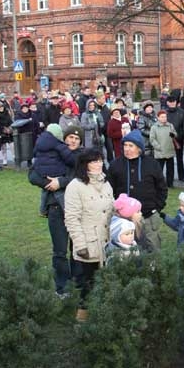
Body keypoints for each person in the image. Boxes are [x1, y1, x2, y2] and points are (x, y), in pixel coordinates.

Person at [31, 126, 83, 297]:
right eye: (70, 137)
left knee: (77, 247)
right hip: (56, 208)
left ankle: (78, 282)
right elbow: (32, 175)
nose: (73, 141)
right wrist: (49, 183)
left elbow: (81, 177)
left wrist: (60, 182)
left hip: (77, 209)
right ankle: (62, 287)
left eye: (77, 138)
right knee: (60, 251)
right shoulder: (52, 153)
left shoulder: (82, 157)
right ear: (63, 138)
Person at [64, 148, 114, 322]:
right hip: (89, 244)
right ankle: (82, 319)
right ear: (84, 164)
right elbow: (72, 218)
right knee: (89, 284)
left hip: (107, 243)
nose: (98, 164)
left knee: (107, 281)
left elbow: (111, 209)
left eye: (100, 160)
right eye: (93, 161)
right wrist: (80, 245)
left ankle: (104, 316)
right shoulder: (75, 186)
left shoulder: (106, 183)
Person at [107, 130, 168, 253]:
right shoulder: (115, 165)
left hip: (148, 216)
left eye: (131, 146)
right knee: (126, 253)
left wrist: (156, 208)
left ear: (139, 148)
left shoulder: (152, 164)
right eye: (125, 145)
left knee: (152, 249)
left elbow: (162, 188)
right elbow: (109, 190)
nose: (127, 149)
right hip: (123, 219)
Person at [106, 195, 142, 260]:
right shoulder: (116, 253)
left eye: (132, 233)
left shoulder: (136, 226)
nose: (141, 213)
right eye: (138, 211)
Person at [150, 110, 177, 188]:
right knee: (159, 170)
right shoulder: (154, 127)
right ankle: (159, 184)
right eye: (162, 117)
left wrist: (174, 134)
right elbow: (152, 139)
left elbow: (175, 134)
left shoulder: (170, 125)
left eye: (165, 117)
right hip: (160, 152)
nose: (164, 118)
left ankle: (170, 184)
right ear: (158, 118)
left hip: (169, 150)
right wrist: (159, 147)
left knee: (170, 170)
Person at [165, 95, 184, 182]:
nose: (172, 103)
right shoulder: (165, 112)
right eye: (170, 102)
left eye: (174, 101)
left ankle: (181, 177)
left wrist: (180, 135)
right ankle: (170, 178)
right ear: (167, 103)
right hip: (167, 138)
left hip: (179, 138)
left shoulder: (182, 112)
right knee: (168, 159)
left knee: (179, 158)